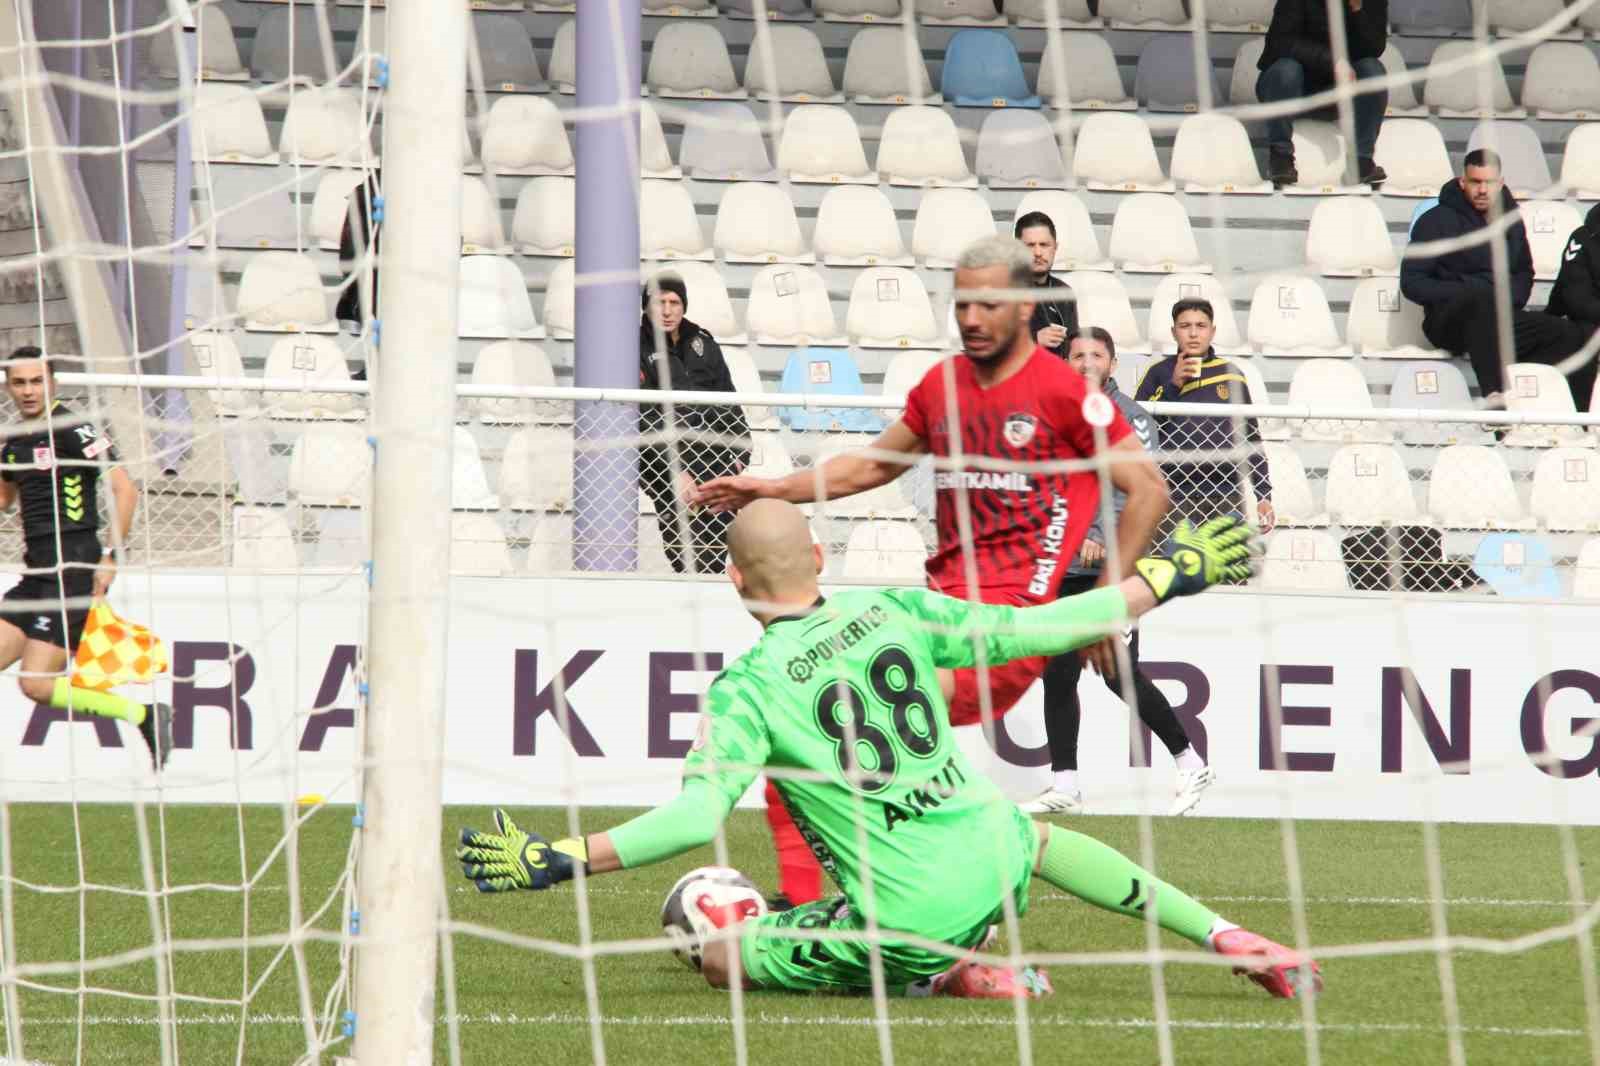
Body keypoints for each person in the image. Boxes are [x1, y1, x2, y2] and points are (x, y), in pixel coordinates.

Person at [456, 499, 1321, 1001]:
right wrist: (1162, 578)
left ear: (732, 582)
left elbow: (691, 818)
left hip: (910, 918)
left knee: (721, 956)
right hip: (1000, 857)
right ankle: (1227, 934)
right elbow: (1046, 623)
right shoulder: (898, 611)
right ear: (821, 557)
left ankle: (945, 976)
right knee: (1036, 833)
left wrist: (560, 858)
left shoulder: (748, 690)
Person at [695, 235, 1169, 725]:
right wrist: (774, 488)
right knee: (836, 709)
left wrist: (1104, 605)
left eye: (988, 305)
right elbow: (873, 465)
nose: (971, 320)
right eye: (964, 305)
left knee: (836, 683)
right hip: (950, 605)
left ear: (1025, 307)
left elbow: (1149, 490)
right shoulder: (944, 386)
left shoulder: (1066, 394)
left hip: (1016, 617)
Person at [1027, 328, 1213, 818]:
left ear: (1111, 364)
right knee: (1058, 673)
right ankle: (1064, 783)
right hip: (1061, 563)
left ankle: (1189, 761)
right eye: (1077, 355)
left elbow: (1137, 491)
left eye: (1096, 355)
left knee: (1117, 673)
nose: (1086, 362)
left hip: (1110, 563)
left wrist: (1100, 538)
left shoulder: (1131, 417)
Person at [0, 350, 170, 768]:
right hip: (36, 574)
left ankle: (143, 715)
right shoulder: (13, 443)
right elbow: (4, 500)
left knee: (36, 685)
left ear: (52, 383)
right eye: (19, 383)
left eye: (36, 381)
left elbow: (125, 489)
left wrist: (112, 555)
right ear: (8, 387)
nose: (28, 391)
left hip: (72, 569)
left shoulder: (75, 427)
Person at [1401, 149, 1588, 407]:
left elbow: (1524, 271)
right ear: (1462, 182)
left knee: (1567, 333)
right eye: (1475, 182)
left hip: (1499, 320)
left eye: (1488, 183)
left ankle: (1576, 418)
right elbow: (1412, 283)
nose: (1482, 190)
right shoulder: (1435, 221)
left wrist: (1509, 300)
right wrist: (1465, 291)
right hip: (1447, 322)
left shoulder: (1511, 222)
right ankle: (1494, 397)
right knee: (1480, 301)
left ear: (1500, 183)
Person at [639, 273, 751, 575]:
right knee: (686, 550)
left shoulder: (704, 343)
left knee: (720, 543)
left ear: (683, 306)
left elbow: (728, 397)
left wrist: (741, 453)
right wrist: (676, 469)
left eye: (674, 302)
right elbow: (644, 415)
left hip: (712, 453)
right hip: (663, 460)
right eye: (659, 302)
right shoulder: (635, 346)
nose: (667, 310)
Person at [1135, 300, 1274, 540]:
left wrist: (1263, 494)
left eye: (1201, 325)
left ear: (1212, 331)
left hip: (1225, 492)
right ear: (1173, 332)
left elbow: (1251, 436)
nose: (1192, 333)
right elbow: (1138, 428)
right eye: (1184, 325)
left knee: (1226, 573)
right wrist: (1173, 385)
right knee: (1170, 572)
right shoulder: (1157, 372)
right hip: (1172, 491)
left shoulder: (1231, 373)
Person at [1256, 0, 1389, 188]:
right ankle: (1281, 157)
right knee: (1286, 71)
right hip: (1287, 89)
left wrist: (1358, 10)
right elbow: (1280, 43)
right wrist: (1331, 61)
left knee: (1372, 70)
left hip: (1335, 92)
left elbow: (1374, 48)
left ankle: (1362, 161)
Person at [1537, 203, 1600, 408]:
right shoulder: (1584, 237)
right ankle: (1579, 418)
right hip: (1588, 321)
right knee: (1583, 336)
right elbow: (1578, 300)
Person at [1013, 211, 1077, 355]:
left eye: (1044, 245)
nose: (1037, 252)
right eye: (1030, 245)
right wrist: (1035, 340)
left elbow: (1073, 347)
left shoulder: (1064, 292)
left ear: (1055, 248)